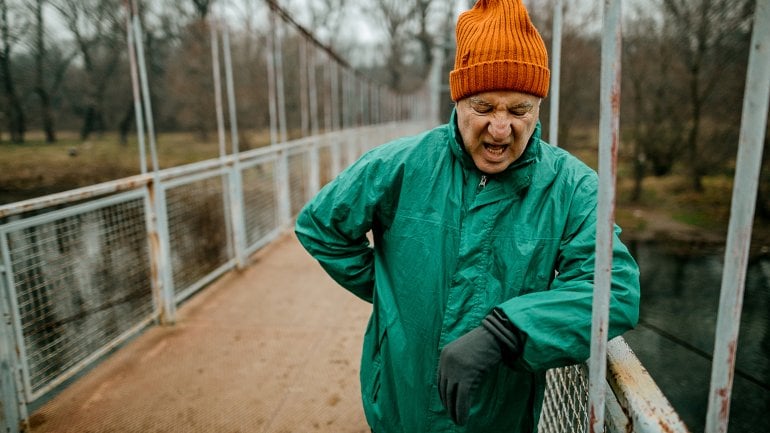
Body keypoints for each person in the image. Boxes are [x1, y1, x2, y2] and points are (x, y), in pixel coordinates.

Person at [295, 0, 640, 431]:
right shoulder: (400, 165)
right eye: (483, 107)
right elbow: (320, 226)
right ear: (458, 100)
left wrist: (507, 332)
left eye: (519, 110)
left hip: (497, 415)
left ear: (538, 108)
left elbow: (614, 292)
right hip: (401, 402)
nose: (500, 128)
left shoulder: (573, 189)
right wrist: (394, 295)